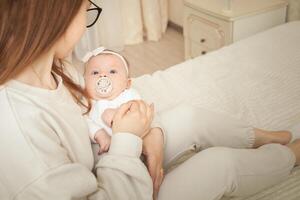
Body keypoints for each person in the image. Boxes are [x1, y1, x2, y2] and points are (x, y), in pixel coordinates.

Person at [1, 1, 300, 200]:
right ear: (53, 18)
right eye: (86, 7)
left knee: (188, 116)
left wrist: (151, 133)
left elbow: (92, 116)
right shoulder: (20, 134)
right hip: (115, 185)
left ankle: (266, 137)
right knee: (220, 165)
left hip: (104, 162)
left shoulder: (56, 68)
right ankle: (289, 157)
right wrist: (129, 139)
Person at [83, 47, 163, 155]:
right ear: (84, 82)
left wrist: (116, 114)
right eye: (95, 72)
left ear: (127, 83)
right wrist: (99, 134)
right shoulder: (87, 103)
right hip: (109, 148)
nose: (103, 75)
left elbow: (140, 112)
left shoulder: (128, 94)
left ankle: (154, 159)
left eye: (112, 71)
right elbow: (85, 123)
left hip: (139, 139)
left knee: (155, 131)